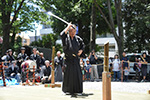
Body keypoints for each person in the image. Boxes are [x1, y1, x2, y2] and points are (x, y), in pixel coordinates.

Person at [60, 23, 85, 97]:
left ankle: (78, 90)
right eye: (71, 31)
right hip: (68, 59)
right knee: (68, 75)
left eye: (74, 31)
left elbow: (83, 45)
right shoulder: (66, 38)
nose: (73, 33)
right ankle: (67, 90)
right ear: (69, 31)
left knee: (77, 75)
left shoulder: (78, 39)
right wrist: (68, 26)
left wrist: (81, 50)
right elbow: (62, 34)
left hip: (76, 59)